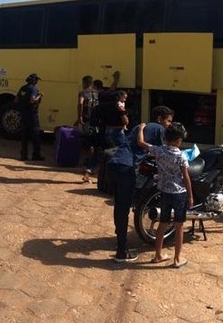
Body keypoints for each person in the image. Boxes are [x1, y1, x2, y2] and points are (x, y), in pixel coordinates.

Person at [106, 105, 174, 263]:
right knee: (123, 209)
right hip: (125, 168)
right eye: (169, 121)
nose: (170, 125)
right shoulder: (158, 129)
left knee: (120, 206)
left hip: (113, 164)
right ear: (160, 119)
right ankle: (121, 252)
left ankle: (120, 240)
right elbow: (165, 152)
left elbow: (137, 147)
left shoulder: (140, 126)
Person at [137, 121, 193, 268]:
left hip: (164, 192)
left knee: (163, 223)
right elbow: (186, 177)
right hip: (179, 193)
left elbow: (141, 142)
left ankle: (158, 255)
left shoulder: (159, 151)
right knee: (179, 226)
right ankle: (177, 259)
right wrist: (190, 196)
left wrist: (141, 128)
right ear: (178, 140)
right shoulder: (181, 157)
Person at [77, 75, 100, 183]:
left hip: (87, 121)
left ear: (85, 82)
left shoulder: (83, 93)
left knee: (89, 144)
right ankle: (92, 166)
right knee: (95, 144)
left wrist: (79, 117)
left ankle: (88, 168)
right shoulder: (97, 93)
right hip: (96, 122)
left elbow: (81, 103)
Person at [17, 73, 44, 161]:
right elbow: (33, 100)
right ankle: (36, 154)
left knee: (24, 135)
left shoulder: (23, 88)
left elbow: (16, 99)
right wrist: (40, 95)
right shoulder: (34, 89)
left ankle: (23, 155)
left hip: (23, 114)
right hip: (32, 114)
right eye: (36, 80)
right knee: (35, 134)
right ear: (34, 81)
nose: (37, 82)